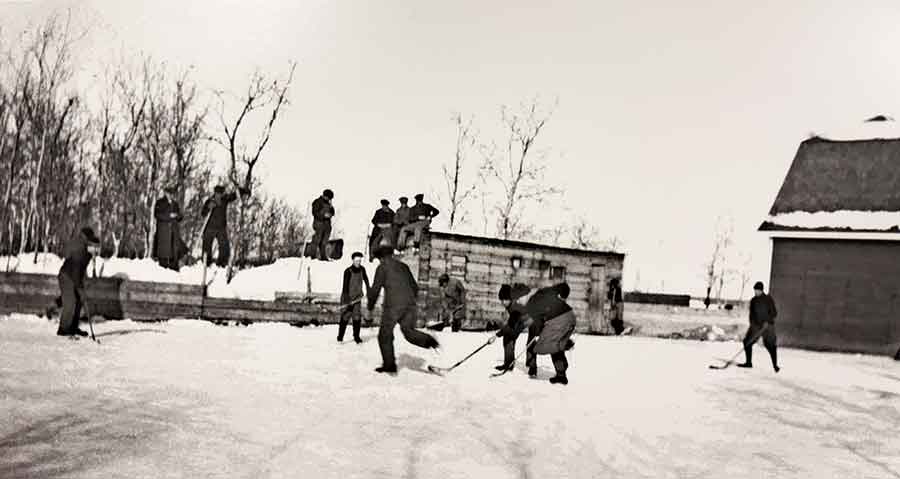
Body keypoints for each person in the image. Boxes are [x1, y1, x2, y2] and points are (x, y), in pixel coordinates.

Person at [367, 245, 440, 374]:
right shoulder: (404, 266)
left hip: (393, 306)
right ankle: (430, 341)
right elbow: (415, 287)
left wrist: (370, 307)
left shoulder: (382, 267)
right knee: (408, 331)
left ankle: (389, 365)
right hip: (410, 304)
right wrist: (409, 301)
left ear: (381, 258)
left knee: (384, 335)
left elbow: (375, 290)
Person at [516, 282, 577, 384]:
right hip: (570, 317)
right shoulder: (542, 293)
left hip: (559, 320)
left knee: (542, 346)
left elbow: (535, 326)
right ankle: (561, 373)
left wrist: (535, 336)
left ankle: (564, 349)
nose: (518, 302)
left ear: (524, 295)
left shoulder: (531, 304)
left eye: (518, 299)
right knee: (552, 344)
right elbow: (562, 287)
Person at [57, 227, 101, 337]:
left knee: (78, 302)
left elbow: (81, 271)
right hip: (66, 277)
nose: (96, 250)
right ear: (89, 244)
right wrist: (80, 289)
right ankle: (63, 329)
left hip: (73, 277)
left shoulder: (88, 253)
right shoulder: (81, 252)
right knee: (71, 302)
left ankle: (73, 327)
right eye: (95, 248)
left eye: (97, 248)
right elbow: (76, 272)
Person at [201, 184, 250, 267]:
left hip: (221, 228)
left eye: (221, 193)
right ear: (215, 193)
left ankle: (222, 263)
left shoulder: (225, 200)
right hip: (210, 227)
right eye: (217, 193)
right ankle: (206, 263)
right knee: (207, 245)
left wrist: (243, 190)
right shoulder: (209, 201)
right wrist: (208, 208)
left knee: (224, 246)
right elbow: (203, 213)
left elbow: (234, 195)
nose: (219, 195)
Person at [738, 281, 780, 372]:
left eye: (757, 290)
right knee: (747, 342)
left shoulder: (768, 299)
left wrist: (767, 321)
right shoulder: (753, 300)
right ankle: (748, 363)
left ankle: (775, 365)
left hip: (768, 327)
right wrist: (752, 325)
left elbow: (774, 313)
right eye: (755, 290)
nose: (756, 292)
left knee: (770, 345)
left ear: (761, 290)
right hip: (756, 326)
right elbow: (751, 315)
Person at [495, 283, 533, 371]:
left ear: (510, 298)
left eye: (505, 300)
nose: (503, 302)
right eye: (501, 300)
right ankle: (509, 364)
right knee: (508, 336)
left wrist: (497, 335)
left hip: (530, 319)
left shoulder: (515, 306)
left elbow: (511, 325)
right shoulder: (511, 304)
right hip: (524, 319)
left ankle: (530, 366)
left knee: (510, 336)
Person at [339, 252, 371, 343]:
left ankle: (356, 336)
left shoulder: (362, 269)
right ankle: (340, 337)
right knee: (345, 317)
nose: (358, 262)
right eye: (356, 260)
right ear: (353, 260)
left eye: (360, 261)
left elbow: (366, 279)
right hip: (347, 297)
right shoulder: (348, 271)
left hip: (357, 298)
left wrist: (369, 289)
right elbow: (345, 287)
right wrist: (347, 301)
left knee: (357, 317)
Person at [153, 185, 186, 271]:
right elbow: (157, 215)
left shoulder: (175, 204)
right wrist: (169, 216)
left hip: (173, 229)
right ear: (165, 193)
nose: (170, 195)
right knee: (164, 250)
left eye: (172, 193)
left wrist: (177, 215)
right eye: (169, 193)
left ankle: (174, 267)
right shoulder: (159, 202)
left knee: (174, 248)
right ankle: (163, 267)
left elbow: (180, 216)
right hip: (163, 230)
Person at [310, 189, 335, 261]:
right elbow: (315, 213)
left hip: (327, 225)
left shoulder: (329, 203)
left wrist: (331, 211)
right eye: (328, 198)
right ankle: (313, 256)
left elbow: (333, 212)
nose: (329, 199)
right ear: (325, 196)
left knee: (324, 242)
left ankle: (323, 257)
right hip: (319, 224)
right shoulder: (317, 202)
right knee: (316, 240)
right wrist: (324, 215)